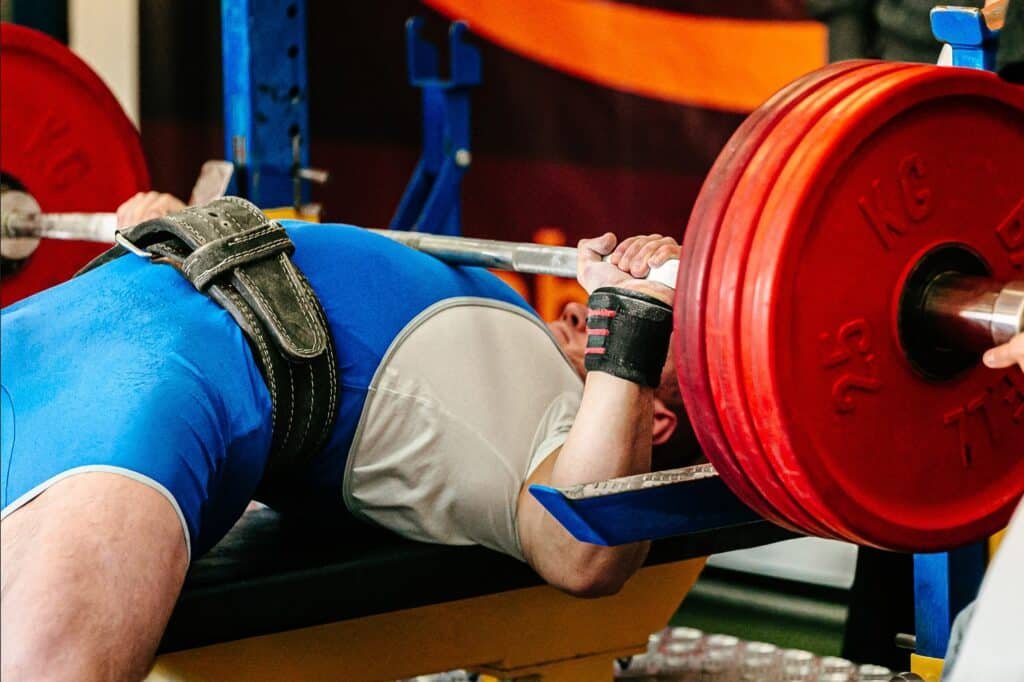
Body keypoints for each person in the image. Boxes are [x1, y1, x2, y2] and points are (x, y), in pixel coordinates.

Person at [0, 194, 692, 680]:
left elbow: (585, 552)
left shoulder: (547, 415)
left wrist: (634, 322)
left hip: (141, 387)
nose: (582, 310)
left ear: (656, 420)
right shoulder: (503, 335)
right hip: (67, 326)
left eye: (680, 322)